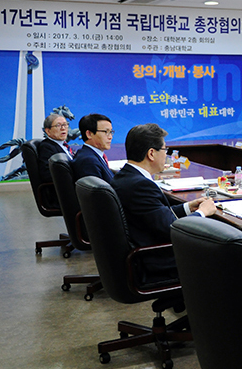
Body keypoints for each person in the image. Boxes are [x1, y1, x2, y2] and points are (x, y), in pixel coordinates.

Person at [111, 124, 216, 279]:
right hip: (159, 261)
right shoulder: (141, 186)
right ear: (151, 154)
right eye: (165, 149)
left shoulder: (125, 177)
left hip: (146, 252)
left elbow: (156, 216)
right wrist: (202, 213)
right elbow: (171, 229)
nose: (166, 154)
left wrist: (188, 208)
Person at [71, 113, 114, 182]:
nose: (110, 137)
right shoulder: (88, 161)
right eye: (106, 132)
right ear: (89, 134)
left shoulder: (92, 155)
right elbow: (98, 191)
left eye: (111, 132)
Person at [37, 113, 73, 184]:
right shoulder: (46, 147)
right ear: (48, 131)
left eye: (65, 125)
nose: (63, 128)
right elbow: (47, 174)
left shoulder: (65, 146)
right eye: (58, 125)